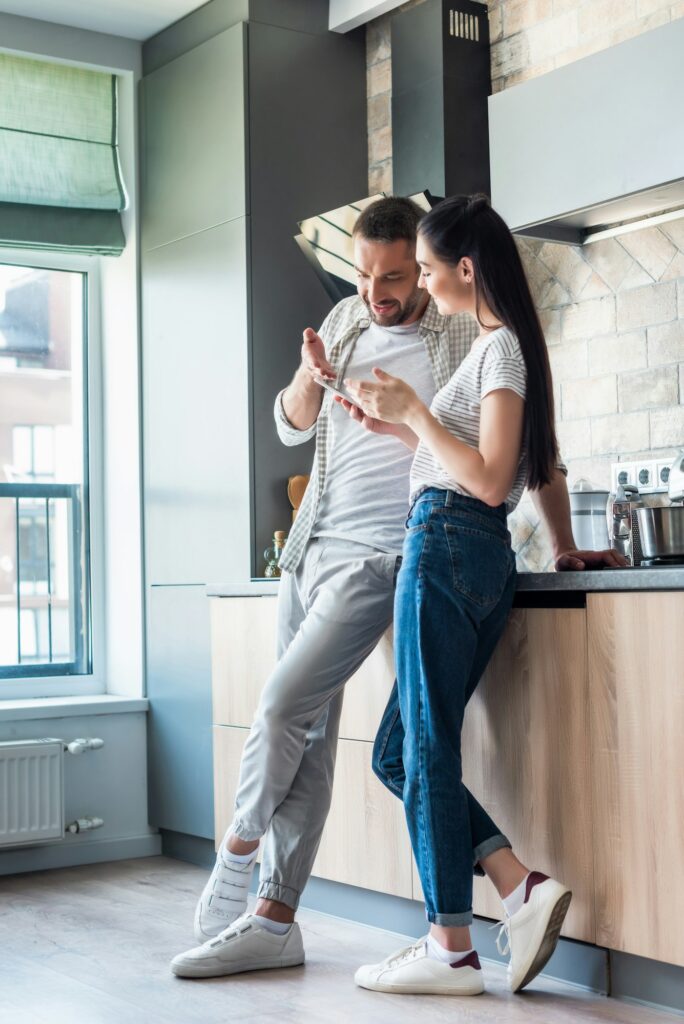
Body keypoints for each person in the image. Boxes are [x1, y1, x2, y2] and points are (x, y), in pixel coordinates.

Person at [170, 196, 624, 981]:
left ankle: (256, 864)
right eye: (366, 272)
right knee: (360, 744)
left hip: (406, 550)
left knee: (319, 718)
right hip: (320, 544)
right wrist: (321, 386)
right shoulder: (348, 321)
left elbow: (514, 456)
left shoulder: (474, 336)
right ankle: (294, 918)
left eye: (400, 272)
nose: (378, 289)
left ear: (436, 270)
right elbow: (296, 423)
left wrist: (560, 540)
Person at [347, 194, 572, 997]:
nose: (428, 286)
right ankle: (516, 885)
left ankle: (450, 944)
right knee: (398, 751)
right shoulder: (500, 352)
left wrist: (416, 412)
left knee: (426, 748)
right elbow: (503, 461)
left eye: (433, 270)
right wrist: (402, 426)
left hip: (446, 543)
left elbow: (481, 480)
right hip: (463, 550)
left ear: (465, 269)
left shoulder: (500, 349)